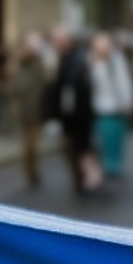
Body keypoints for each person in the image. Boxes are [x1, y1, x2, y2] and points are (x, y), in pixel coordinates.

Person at [50, 26, 102, 194]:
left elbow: (70, 87)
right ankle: (84, 178)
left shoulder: (75, 59)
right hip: (72, 114)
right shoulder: (67, 58)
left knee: (79, 148)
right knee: (77, 148)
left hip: (77, 114)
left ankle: (87, 177)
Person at [88, 32, 133, 180]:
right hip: (103, 107)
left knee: (117, 137)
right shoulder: (92, 62)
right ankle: (108, 165)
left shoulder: (117, 59)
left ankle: (115, 164)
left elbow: (125, 81)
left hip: (119, 106)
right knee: (105, 137)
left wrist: (129, 99)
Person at [10, 32, 50, 187]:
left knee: (33, 146)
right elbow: (11, 88)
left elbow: (46, 84)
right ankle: (28, 172)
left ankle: (33, 171)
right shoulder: (17, 66)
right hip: (22, 112)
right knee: (26, 146)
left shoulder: (39, 64)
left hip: (37, 111)